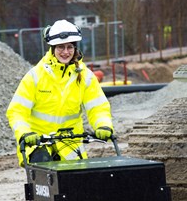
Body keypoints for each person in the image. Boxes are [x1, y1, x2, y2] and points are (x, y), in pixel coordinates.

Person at [6, 19, 114, 167]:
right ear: (52, 49)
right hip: (38, 145)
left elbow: (98, 107)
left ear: (75, 48)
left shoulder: (85, 77)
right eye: (60, 47)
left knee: (78, 183)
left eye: (70, 47)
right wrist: (25, 133)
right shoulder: (35, 76)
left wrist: (103, 125)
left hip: (70, 145)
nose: (65, 52)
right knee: (44, 173)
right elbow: (17, 111)